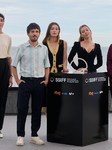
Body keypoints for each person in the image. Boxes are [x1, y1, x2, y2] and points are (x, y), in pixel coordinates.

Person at [12, 23, 50, 146]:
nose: (35, 34)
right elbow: (13, 65)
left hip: (39, 82)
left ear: (39, 33)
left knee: (37, 109)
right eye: (32, 31)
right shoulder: (21, 47)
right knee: (22, 108)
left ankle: (34, 135)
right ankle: (20, 135)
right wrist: (17, 80)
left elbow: (47, 66)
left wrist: (46, 80)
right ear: (28, 33)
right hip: (25, 81)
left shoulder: (43, 48)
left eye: (37, 31)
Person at [0, 13, 13, 138]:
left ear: (4, 22)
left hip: (3, 66)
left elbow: (9, 58)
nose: (0, 22)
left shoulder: (7, 38)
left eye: (1, 20)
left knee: (2, 98)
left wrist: (11, 76)